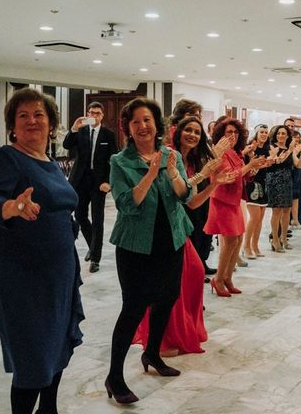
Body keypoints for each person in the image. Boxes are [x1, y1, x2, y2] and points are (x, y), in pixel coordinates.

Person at [0, 88, 84, 414]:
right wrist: (12, 207)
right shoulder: (7, 158)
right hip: (22, 278)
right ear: (12, 126)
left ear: (51, 124)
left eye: (39, 115)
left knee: (57, 347)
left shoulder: (48, 161)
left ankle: (49, 408)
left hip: (59, 273)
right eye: (23, 115)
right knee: (32, 358)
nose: (32, 121)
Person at [106, 97, 194, 404]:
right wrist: (149, 172)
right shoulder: (120, 161)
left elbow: (184, 194)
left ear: (157, 124)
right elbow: (127, 204)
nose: (142, 126)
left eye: (147, 120)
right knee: (132, 308)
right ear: (128, 128)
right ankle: (114, 376)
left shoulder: (171, 154)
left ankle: (152, 353)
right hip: (135, 246)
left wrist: (170, 172)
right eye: (135, 122)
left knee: (167, 298)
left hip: (171, 240)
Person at [133, 115, 227, 356]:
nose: (193, 135)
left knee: (193, 275)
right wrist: (204, 174)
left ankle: (178, 331)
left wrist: (214, 183)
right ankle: (161, 340)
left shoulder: (192, 159)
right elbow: (174, 190)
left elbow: (192, 201)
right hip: (161, 227)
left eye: (197, 132)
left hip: (180, 226)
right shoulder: (168, 155)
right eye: (189, 130)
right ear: (178, 131)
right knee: (170, 284)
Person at [204, 118, 266, 296]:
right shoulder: (219, 153)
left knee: (237, 240)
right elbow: (228, 176)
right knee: (230, 240)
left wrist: (254, 168)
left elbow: (241, 176)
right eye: (228, 132)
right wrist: (249, 166)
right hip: (222, 201)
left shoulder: (235, 152)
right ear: (220, 134)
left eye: (235, 132)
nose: (232, 135)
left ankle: (227, 278)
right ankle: (218, 279)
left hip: (233, 200)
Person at [62, 101, 118, 272]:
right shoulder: (81, 131)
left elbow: (114, 159)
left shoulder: (108, 135)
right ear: (87, 114)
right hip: (80, 180)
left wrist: (108, 181)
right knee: (79, 215)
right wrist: (73, 128)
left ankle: (95, 258)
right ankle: (93, 246)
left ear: (102, 116)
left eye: (97, 113)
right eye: (91, 112)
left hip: (99, 182)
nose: (94, 116)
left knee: (98, 219)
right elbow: (66, 145)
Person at [266, 125, 301, 252]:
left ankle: (284, 238)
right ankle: (275, 239)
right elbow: (278, 161)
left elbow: (298, 164)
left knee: (287, 210)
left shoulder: (290, 148)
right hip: (274, 180)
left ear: (287, 136)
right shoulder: (271, 147)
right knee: (277, 211)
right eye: (279, 133)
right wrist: (290, 150)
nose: (281, 136)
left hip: (287, 180)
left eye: (283, 134)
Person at [243, 124, 271, 258]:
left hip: (263, 184)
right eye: (262, 132)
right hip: (251, 184)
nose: (264, 134)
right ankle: (246, 246)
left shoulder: (267, 149)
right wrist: (260, 164)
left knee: (260, 218)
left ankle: (255, 245)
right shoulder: (250, 148)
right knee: (253, 218)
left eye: (266, 132)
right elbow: (249, 169)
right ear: (256, 133)